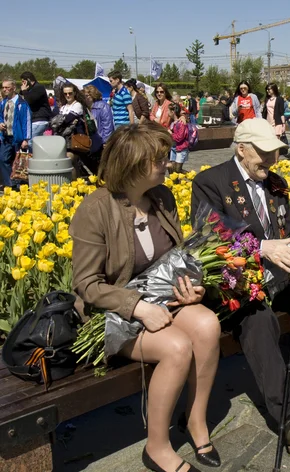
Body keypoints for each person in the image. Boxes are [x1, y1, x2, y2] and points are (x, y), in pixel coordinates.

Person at [70, 122, 220, 472]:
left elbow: (176, 257)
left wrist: (191, 287)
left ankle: (196, 419)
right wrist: (137, 308)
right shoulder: (96, 210)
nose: (167, 165)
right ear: (134, 163)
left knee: (208, 324)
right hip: (111, 314)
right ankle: (157, 447)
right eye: (160, 159)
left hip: (161, 299)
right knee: (177, 347)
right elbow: (87, 285)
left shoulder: (162, 198)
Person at [191, 118, 290, 453]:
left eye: (276, 152)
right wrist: (261, 248)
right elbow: (209, 237)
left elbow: (286, 231)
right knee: (260, 323)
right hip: (237, 283)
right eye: (264, 152)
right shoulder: (209, 182)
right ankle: (288, 413)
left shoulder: (278, 182)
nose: (272, 160)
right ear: (241, 149)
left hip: (278, 275)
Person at [53, 83, 102, 179]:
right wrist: (60, 122)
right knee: (74, 163)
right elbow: (56, 123)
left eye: (70, 93)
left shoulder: (77, 105)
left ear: (74, 93)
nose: (68, 96)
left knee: (70, 160)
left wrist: (60, 121)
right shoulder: (63, 107)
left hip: (77, 140)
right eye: (65, 93)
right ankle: (77, 186)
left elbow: (66, 120)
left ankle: (75, 185)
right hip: (65, 141)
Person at [0, 79, 32, 187]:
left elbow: (26, 121)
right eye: (3, 87)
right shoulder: (3, 102)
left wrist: (26, 139)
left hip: (18, 137)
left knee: (18, 162)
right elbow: (0, 116)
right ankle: (10, 184)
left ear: (13, 88)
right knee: (3, 159)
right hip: (6, 137)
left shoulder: (21, 103)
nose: (5, 90)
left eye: (7, 87)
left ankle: (19, 185)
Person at [19, 72, 52, 137]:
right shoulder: (30, 89)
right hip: (32, 120)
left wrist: (24, 91)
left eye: (23, 82)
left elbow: (29, 100)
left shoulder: (39, 87)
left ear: (28, 80)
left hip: (39, 120)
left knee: (30, 142)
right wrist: (23, 91)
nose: (22, 84)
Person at [168, 103, 189, 173]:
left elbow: (180, 137)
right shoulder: (172, 122)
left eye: (168, 111)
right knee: (172, 168)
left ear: (173, 112)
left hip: (181, 148)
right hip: (173, 147)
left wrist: (171, 134)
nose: (167, 112)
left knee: (178, 169)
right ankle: (174, 183)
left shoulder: (181, 123)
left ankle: (191, 176)